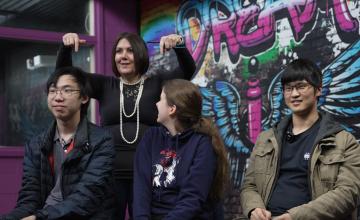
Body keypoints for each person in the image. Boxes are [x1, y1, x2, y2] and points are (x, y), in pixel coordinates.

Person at [56, 32, 196, 219]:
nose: (123, 56)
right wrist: (65, 47)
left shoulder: (157, 84)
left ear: (140, 54)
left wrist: (178, 44)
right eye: (119, 51)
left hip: (150, 176)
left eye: (130, 51)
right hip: (109, 176)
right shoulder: (105, 85)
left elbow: (187, 70)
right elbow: (66, 76)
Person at [239, 58, 360, 220]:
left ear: (319, 90)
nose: (294, 94)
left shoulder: (344, 142)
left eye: (301, 86)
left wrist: (293, 216)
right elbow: (249, 185)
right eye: (288, 89)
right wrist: (254, 208)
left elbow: (348, 194)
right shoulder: (266, 139)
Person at [1, 67, 115, 220]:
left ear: (84, 97)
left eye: (67, 90)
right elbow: (29, 199)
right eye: (53, 91)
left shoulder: (102, 140)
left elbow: (86, 197)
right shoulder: (36, 145)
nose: (58, 97)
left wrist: (39, 217)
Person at [133, 79, 229, 220]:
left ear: (172, 109)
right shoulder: (151, 138)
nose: (156, 104)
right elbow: (141, 190)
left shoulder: (203, 144)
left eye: (160, 100)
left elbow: (192, 199)